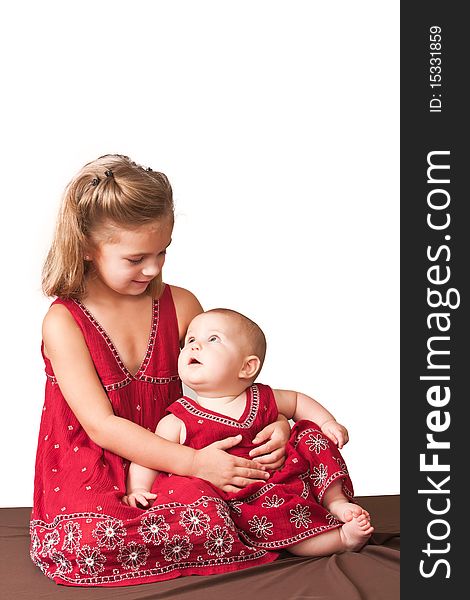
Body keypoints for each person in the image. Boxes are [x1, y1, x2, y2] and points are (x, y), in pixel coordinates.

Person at [30, 155, 290, 587]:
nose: (152, 269)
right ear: (88, 249)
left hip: (181, 453)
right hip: (98, 463)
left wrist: (276, 422)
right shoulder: (64, 321)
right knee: (92, 542)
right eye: (135, 259)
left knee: (229, 503)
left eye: (162, 252)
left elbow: (220, 385)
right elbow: (101, 426)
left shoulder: (181, 305)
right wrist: (195, 464)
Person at [124, 308, 374, 557]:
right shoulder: (178, 420)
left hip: (290, 475)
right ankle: (341, 539)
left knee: (312, 435)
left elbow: (298, 402)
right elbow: (150, 457)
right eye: (190, 340)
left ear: (247, 367)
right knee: (277, 520)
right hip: (246, 500)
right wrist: (137, 489)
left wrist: (327, 422)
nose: (194, 346)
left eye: (212, 339)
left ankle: (335, 501)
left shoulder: (262, 397)